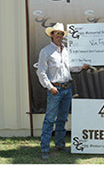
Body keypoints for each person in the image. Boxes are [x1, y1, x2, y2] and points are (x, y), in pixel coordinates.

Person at [37, 23, 89, 159]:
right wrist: (50, 87)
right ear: (52, 35)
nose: (59, 36)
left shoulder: (67, 51)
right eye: (57, 33)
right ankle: (45, 148)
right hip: (55, 88)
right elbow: (41, 72)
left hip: (67, 88)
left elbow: (71, 68)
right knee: (49, 119)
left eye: (61, 34)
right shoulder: (45, 51)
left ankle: (59, 144)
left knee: (62, 118)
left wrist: (82, 67)